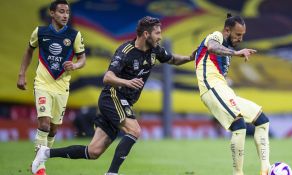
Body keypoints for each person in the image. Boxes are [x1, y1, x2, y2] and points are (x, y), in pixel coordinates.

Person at [31, 16, 195, 175]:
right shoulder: (126, 51)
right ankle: (112, 173)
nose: (160, 36)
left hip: (123, 101)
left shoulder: (155, 50)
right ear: (146, 34)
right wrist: (127, 82)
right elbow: (107, 77)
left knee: (93, 151)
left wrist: (189, 58)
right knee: (134, 130)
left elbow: (172, 59)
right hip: (112, 97)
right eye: (157, 33)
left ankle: (45, 153)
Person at [194, 13, 270, 175]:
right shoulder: (216, 36)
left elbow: (199, 53)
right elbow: (212, 47)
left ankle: (266, 169)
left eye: (242, 35)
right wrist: (236, 53)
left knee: (262, 121)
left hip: (224, 89)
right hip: (211, 87)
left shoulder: (226, 47)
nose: (240, 39)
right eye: (238, 35)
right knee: (239, 126)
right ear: (227, 31)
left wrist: (188, 57)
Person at [17, 1, 86, 175]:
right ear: (52, 13)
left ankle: (38, 160)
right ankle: (40, 168)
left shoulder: (74, 35)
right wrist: (22, 74)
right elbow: (29, 51)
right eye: (61, 12)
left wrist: (76, 66)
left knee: (54, 128)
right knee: (45, 123)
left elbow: (82, 58)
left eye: (67, 12)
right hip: (42, 84)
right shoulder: (40, 32)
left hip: (62, 87)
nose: (65, 15)